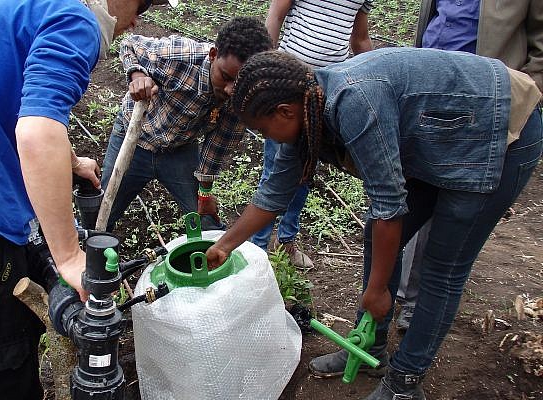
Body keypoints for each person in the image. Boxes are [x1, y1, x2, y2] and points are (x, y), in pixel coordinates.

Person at [206, 49, 542, 399]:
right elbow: (273, 195)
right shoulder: (305, 110)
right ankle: (372, 351)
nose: (267, 138)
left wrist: (378, 290)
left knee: (442, 267)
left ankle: (405, 383)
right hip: (443, 130)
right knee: (378, 240)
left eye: (262, 129)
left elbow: (388, 206)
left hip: (498, 127)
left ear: (284, 111)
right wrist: (224, 245)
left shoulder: (354, 103)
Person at [0, 0, 170, 398]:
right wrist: (68, 256)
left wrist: (72, 161)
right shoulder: (74, 17)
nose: (133, 24)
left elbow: (16, 105)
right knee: (0, 377)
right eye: (142, 7)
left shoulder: (31, 6)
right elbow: (35, 131)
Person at [396, 0, 543, 332]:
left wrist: (520, 98)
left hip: (485, 110)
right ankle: (396, 298)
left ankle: (417, 306)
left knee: (448, 220)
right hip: (430, 103)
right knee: (406, 207)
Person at [100, 16, 272, 232]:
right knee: (102, 213)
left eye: (240, 83)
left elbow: (218, 146)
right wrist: (137, 75)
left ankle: (210, 259)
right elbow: (130, 44)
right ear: (213, 55)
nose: (230, 89)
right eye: (225, 77)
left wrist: (205, 193)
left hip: (179, 149)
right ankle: (91, 259)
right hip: (135, 138)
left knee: (205, 220)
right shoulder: (178, 55)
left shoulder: (242, 97)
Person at [253, 0, 373, 268]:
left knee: (306, 171)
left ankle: (286, 240)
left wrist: (372, 76)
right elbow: (275, 15)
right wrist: (265, 70)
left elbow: (360, 38)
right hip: (287, 84)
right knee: (275, 169)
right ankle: (258, 249)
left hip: (326, 92)